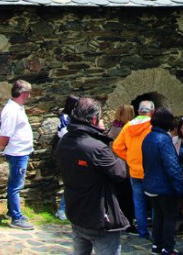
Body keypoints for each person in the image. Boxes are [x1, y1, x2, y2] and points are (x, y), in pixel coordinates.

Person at [56, 97, 129, 255]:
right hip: (99, 217)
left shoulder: (65, 141)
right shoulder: (96, 148)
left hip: (76, 213)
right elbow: (120, 173)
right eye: (100, 117)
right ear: (94, 119)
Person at [142, 108, 183, 255]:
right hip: (165, 188)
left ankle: (156, 247)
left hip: (151, 186)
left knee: (158, 217)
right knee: (168, 218)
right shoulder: (164, 140)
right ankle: (168, 248)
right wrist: (179, 187)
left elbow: (145, 163)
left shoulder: (148, 138)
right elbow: (171, 166)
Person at [0, 80, 34, 230]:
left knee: (14, 184)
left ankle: (12, 212)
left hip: (20, 151)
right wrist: (1, 144)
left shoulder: (17, 108)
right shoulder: (11, 111)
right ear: (23, 93)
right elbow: (6, 135)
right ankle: (16, 218)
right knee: (16, 186)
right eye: (28, 93)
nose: (29, 96)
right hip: (17, 153)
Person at [112, 100, 155, 239]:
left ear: (138, 112)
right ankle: (157, 231)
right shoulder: (153, 126)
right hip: (151, 170)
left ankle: (142, 232)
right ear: (152, 112)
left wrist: (129, 158)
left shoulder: (128, 126)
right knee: (155, 203)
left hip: (134, 171)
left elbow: (117, 147)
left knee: (139, 202)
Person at [106, 104, 136, 232]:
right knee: (127, 197)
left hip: (114, 168)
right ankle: (128, 223)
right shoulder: (125, 130)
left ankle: (117, 220)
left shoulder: (113, 128)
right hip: (124, 169)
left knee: (118, 196)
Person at [55, 95, 79, 221]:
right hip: (67, 152)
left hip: (74, 151)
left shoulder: (74, 118)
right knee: (70, 182)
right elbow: (65, 134)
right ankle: (62, 209)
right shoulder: (65, 118)